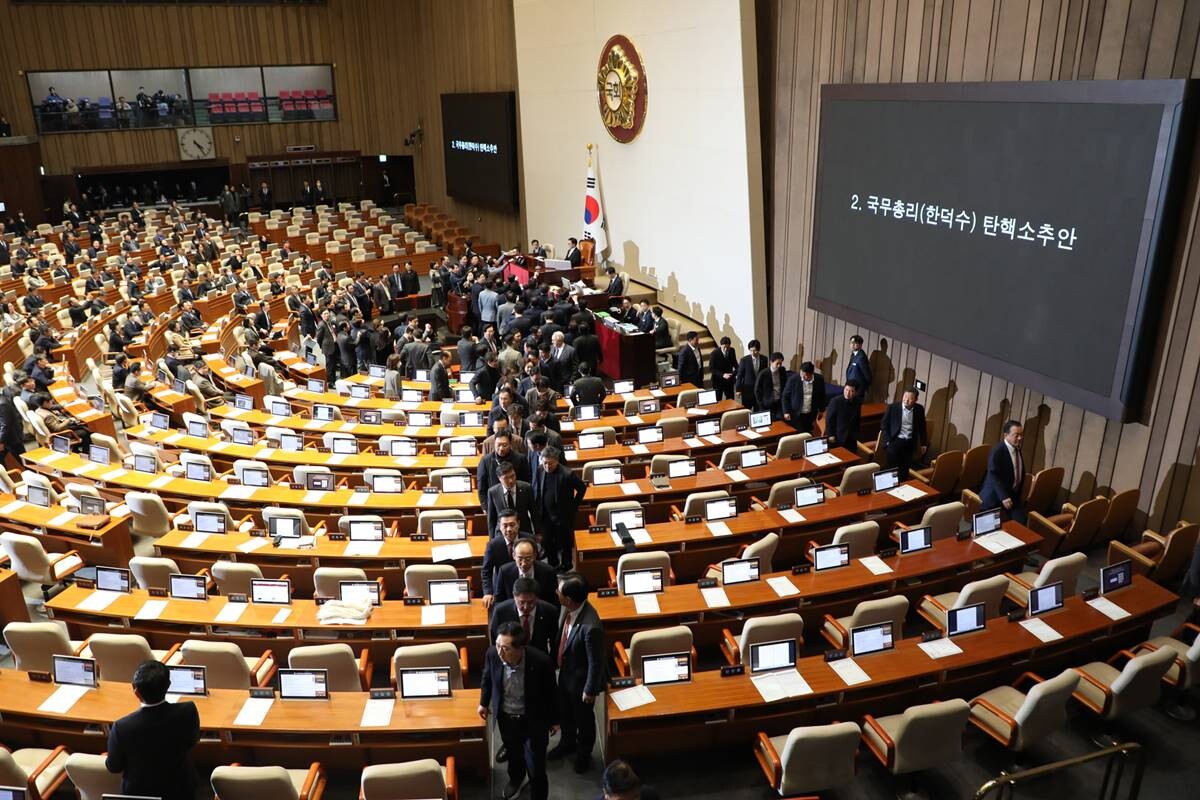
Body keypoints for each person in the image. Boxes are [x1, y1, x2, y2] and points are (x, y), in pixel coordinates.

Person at [478, 621, 559, 800]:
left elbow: (552, 692)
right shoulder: (492, 654)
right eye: (498, 645)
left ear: (521, 648)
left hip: (534, 719)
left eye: (505, 648)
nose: (499, 652)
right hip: (506, 717)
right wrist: (484, 702)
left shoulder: (541, 662)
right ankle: (516, 779)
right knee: (513, 754)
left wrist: (554, 719)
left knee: (537, 766)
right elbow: (487, 677)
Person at [105, 660, 200, 800]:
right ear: (168, 685)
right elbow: (192, 741)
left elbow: (114, 767)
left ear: (136, 692)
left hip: (138, 794)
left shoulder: (121, 727)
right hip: (181, 790)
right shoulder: (188, 711)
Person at [552, 571, 606, 773]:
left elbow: (596, 661)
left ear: (570, 599)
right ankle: (567, 743)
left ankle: (584, 754)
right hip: (566, 675)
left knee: (583, 720)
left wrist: (590, 691)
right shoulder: (570, 609)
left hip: (581, 683)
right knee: (565, 713)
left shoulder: (591, 626)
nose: (555, 592)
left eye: (558, 591)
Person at [533, 446, 587, 570]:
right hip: (545, 514)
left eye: (550, 463)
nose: (547, 466)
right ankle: (553, 563)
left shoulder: (568, 474)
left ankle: (566, 564)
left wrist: (573, 506)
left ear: (557, 461)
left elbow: (582, 488)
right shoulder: (540, 470)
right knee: (546, 541)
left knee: (564, 542)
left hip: (562, 515)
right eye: (544, 462)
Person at [491, 576, 557, 656]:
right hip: (510, 657)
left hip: (539, 658)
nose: (526, 607)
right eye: (521, 602)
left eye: (530, 602)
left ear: (537, 598)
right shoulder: (501, 611)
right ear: (514, 596)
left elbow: (554, 641)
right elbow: (495, 640)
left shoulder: (549, 611)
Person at [482, 510, 533, 609]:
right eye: (505, 526)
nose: (509, 529)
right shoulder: (493, 545)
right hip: (502, 588)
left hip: (526, 584)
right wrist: (488, 592)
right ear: (499, 526)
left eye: (512, 525)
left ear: (518, 524)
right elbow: (486, 571)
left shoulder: (529, 540)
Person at [980, 420, 1027, 524]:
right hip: (995, 494)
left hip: (1011, 494)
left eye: (1021, 435)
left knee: (1021, 522)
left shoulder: (1017, 448)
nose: (1020, 438)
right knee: (984, 527)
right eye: (1016, 435)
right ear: (1006, 435)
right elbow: (993, 474)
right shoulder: (998, 450)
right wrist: (1004, 496)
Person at [880, 387, 928, 480]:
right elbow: (883, 424)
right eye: (905, 396)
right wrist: (888, 441)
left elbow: (922, 427)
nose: (906, 400)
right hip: (895, 441)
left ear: (916, 400)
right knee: (891, 470)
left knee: (904, 469)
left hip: (909, 442)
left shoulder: (919, 409)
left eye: (910, 398)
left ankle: (902, 488)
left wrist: (923, 443)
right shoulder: (893, 407)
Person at [495, 539, 559, 607]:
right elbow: (499, 600)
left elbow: (554, 602)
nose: (523, 563)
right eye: (520, 559)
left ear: (534, 556)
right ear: (514, 556)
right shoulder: (504, 571)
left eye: (528, 559)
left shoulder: (548, 572)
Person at [486, 460, 536, 535]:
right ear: (499, 478)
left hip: (524, 531)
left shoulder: (526, 488)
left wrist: (538, 532)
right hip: (502, 533)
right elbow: (491, 518)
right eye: (506, 478)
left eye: (513, 476)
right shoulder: (493, 492)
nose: (511, 480)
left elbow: (534, 512)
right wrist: (491, 538)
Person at [782, 361, 825, 434]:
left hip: (811, 413)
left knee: (808, 432)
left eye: (805, 375)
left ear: (811, 374)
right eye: (801, 373)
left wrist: (821, 410)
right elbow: (785, 396)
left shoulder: (819, 379)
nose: (802, 376)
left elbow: (822, 395)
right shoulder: (793, 379)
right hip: (796, 413)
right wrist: (786, 411)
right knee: (799, 433)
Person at [824, 379, 862, 451]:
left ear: (856, 392)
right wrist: (831, 435)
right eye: (846, 389)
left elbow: (857, 419)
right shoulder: (835, 401)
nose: (847, 393)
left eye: (851, 391)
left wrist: (856, 434)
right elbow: (829, 419)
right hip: (837, 437)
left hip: (851, 438)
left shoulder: (857, 402)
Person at [753, 351, 788, 420]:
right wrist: (761, 405)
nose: (779, 366)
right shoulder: (763, 374)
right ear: (771, 362)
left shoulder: (782, 370)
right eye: (777, 363)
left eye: (780, 364)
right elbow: (756, 390)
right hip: (767, 403)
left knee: (781, 423)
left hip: (779, 403)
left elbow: (785, 385)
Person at [736, 339, 767, 410]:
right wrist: (738, 389)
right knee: (746, 411)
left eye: (755, 350)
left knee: (758, 410)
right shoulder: (744, 360)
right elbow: (739, 376)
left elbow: (764, 375)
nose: (752, 352)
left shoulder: (764, 359)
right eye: (751, 350)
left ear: (758, 350)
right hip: (747, 390)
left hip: (759, 390)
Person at [709, 336, 738, 401]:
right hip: (718, 380)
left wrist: (733, 374)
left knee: (731, 400)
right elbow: (711, 368)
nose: (726, 349)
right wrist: (723, 375)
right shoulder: (714, 353)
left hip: (729, 380)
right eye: (724, 347)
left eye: (727, 347)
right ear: (721, 345)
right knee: (718, 400)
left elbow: (735, 364)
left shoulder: (732, 350)